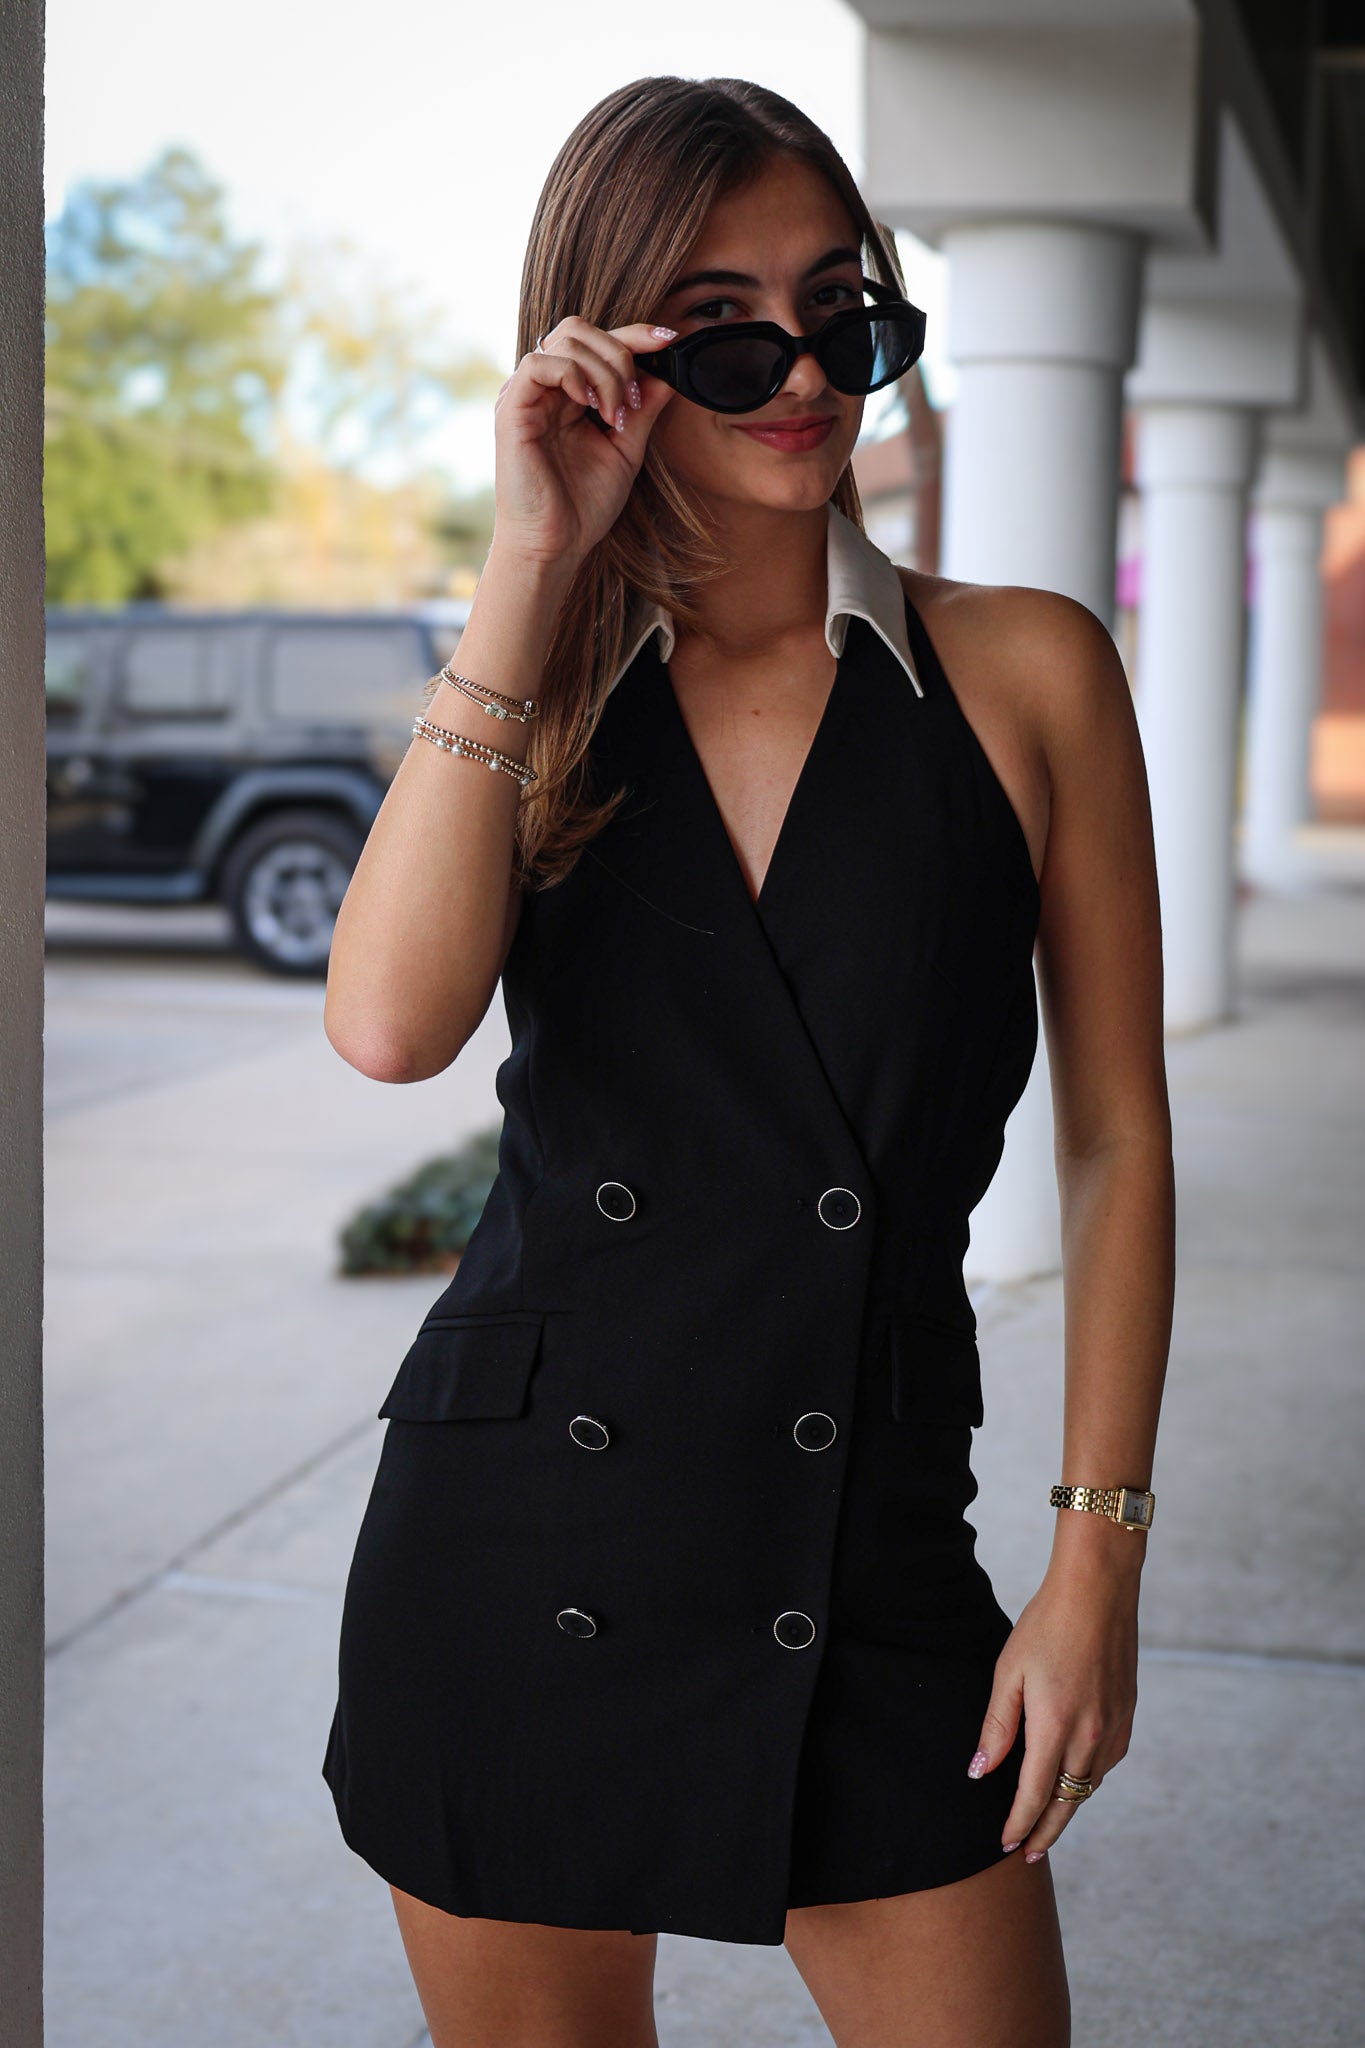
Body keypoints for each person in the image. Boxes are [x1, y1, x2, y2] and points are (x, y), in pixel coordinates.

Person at [320, 73, 1173, 2048]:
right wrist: (534, 564)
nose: (800, 371)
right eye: (721, 325)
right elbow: (384, 1025)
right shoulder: (532, 692)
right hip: (521, 1546)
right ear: (608, 353)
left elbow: (1114, 1139)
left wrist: (1090, 1560)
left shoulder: (1024, 667)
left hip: (864, 1532)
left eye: (842, 313)